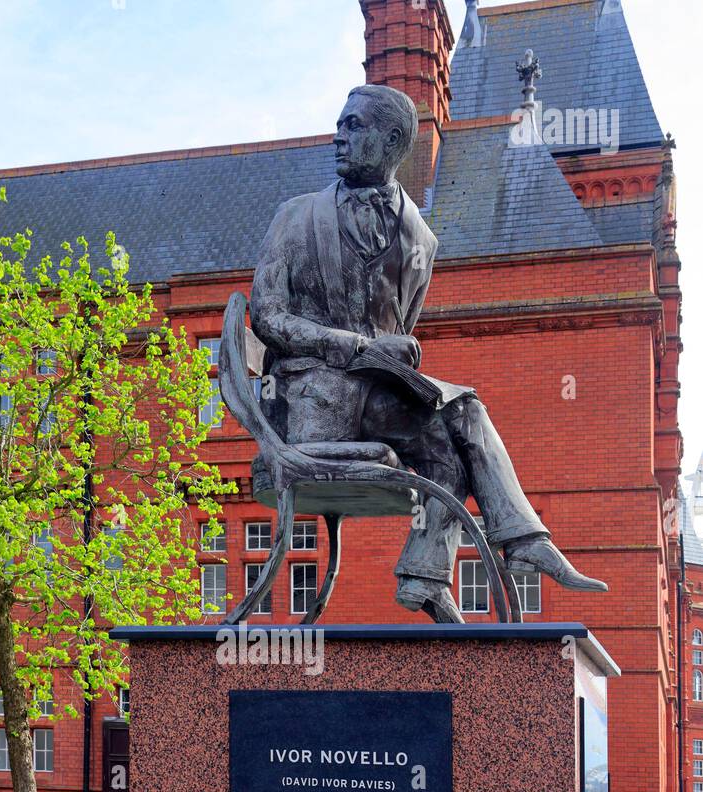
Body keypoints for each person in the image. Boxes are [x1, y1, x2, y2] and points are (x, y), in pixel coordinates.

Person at [250, 84, 607, 622]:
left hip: (376, 403)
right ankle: (514, 543)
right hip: (311, 408)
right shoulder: (295, 217)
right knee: (454, 428)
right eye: (340, 124)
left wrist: (394, 355)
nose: (338, 135)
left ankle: (431, 576)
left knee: (454, 428)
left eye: (353, 126)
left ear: (392, 141)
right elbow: (266, 316)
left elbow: (399, 326)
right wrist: (353, 344)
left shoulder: (422, 239)